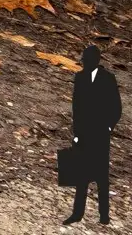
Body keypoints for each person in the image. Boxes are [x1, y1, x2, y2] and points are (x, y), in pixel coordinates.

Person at [67, 43, 121, 226]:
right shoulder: (80, 78)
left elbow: (116, 107)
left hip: (100, 133)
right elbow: (77, 107)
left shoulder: (108, 79)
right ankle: (77, 214)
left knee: (101, 177)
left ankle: (103, 216)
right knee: (81, 175)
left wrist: (108, 127)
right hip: (83, 132)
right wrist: (76, 133)